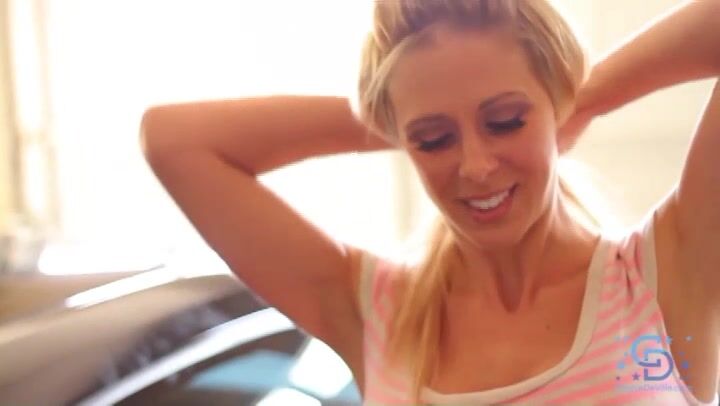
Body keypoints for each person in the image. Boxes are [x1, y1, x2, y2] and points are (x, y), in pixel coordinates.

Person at [140, 0, 719, 404]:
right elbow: (173, 140)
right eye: (434, 139)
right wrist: (395, 112)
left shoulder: (661, 276)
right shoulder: (374, 311)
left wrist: (582, 97)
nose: (475, 166)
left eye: (505, 120)